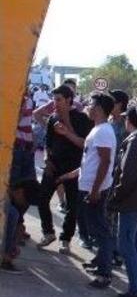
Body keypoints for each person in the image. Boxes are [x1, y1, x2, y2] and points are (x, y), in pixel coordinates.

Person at [57, 93, 117, 287]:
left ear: (99, 109)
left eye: (91, 104)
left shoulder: (103, 132)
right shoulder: (97, 130)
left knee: (100, 231)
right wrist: (71, 175)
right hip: (89, 186)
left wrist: (95, 190)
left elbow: (105, 161)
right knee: (95, 228)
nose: (87, 107)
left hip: (94, 189)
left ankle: (104, 274)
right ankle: (100, 262)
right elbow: (90, 160)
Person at [36, 85, 93, 253]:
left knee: (72, 206)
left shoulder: (82, 119)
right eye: (54, 99)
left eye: (58, 100)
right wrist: (47, 160)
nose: (55, 103)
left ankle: (65, 240)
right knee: (41, 200)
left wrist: (66, 128)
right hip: (54, 167)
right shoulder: (53, 118)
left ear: (69, 100)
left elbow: (84, 144)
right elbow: (48, 143)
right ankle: (48, 233)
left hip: (74, 169)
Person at [108, 107, 137, 297]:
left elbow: (127, 176)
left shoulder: (134, 141)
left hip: (131, 202)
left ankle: (135, 293)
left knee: (126, 245)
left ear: (130, 121)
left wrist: (115, 198)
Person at [2, 95, 39, 273]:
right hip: (16, 148)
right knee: (12, 213)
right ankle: (6, 256)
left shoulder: (26, 98)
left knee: (14, 212)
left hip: (23, 148)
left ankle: (8, 250)